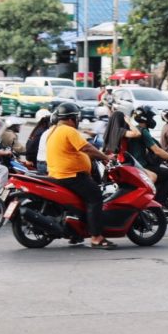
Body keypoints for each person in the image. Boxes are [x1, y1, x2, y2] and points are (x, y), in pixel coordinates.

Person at [46, 102, 116, 249]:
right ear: (72, 118)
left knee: (80, 203)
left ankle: (75, 233)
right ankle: (96, 237)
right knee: (95, 196)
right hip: (71, 176)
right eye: (76, 118)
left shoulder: (53, 131)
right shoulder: (68, 130)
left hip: (58, 175)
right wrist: (105, 157)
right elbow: (87, 147)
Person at [124, 106, 168, 210]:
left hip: (138, 164)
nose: (153, 120)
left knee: (163, 173)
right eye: (151, 117)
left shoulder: (136, 129)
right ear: (145, 118)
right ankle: (159, 203)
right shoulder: (143, 131)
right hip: (142, 166)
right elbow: (157, 151)